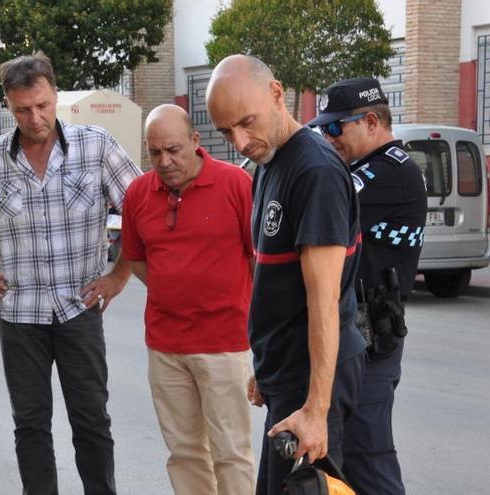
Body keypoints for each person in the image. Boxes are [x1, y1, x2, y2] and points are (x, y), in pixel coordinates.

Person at [0, 51, 141, 495]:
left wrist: (119, 276)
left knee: (92, 420)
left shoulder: (96, 146)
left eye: (42, 105)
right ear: (7, 106)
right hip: (20, 316)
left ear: (55, 95)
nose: (35, 118)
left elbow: (140, 209)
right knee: (30, 425)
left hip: (79, 311)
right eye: (22, 110)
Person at [206, 54, 366, 495]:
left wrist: (316, 408)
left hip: (312, 380)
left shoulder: (314, 171)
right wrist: (266, 363)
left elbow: (324, 299)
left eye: (246, 122)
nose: (239, 141)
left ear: (277, 94)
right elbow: (275, 283)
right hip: (287, 372)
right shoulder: (270, 163)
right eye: (225, 131)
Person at [121, 104, 255, 494]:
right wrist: (173, 291)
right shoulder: (138, 193)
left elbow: (256, 260)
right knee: (184, 452)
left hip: (224, 344)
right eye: (155, 152)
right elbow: (136, 259)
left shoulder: (235, 185)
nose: (165, 161)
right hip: (165, 346)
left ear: (196, 142)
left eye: (174, 149)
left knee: (231, 450)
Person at [307, 77, 427, 495]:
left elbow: (315, 203)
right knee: (339, 463)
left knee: (367, 462)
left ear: (370, 121)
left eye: (336, 127)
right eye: (322, 129)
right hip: (356, 338)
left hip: (370, 343)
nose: (327, 136)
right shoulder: (364, 169)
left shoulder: (389, 172)